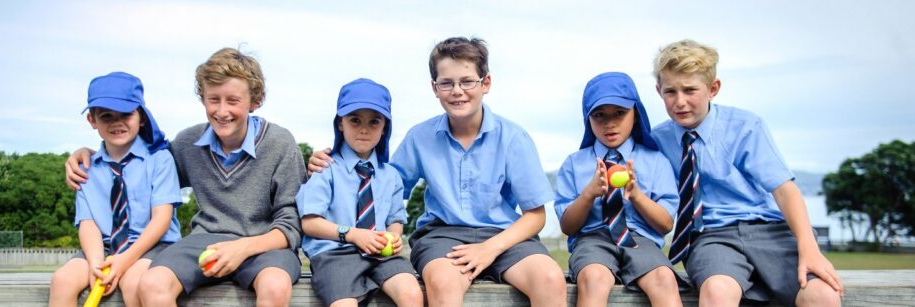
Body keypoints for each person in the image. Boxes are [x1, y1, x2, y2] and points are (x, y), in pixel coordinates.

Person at [309, 37, 566, 307]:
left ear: (485, 83)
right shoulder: (420, 137)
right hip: (442, 236)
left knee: (550, 278)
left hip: (505, 236)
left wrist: (489, 249)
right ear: (435, 88)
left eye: (467, 81)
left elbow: (536, 217)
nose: (457, 91)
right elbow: (381, 185)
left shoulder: (514, 138)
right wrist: (330, 163)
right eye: (447, 83)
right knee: (443, 283)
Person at [65, 48, 306, 307]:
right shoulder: (187, 143)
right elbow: (141, 167)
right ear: (203, 99)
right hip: (203, 243)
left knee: (275, 285)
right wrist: (90, 154)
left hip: (266, 245)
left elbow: (292, 224)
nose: (222, 111)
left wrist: (243, 248)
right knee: (152, 283)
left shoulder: (280, 143)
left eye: (233, 101)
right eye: (214, 99)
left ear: (254, 101)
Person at [649, 39, 843, 306]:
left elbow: (784, 190)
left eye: (690, 90)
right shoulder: (657, 140)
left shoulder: (745, 127)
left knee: (823, 294)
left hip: (770, 230)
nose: (680, 101)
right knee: (717, 291)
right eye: (670, 91)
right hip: (711, 237)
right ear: (659, 91)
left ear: (713, 88)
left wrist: (809, 248)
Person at [50, 72, 181, 307]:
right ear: (92, 120)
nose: (116, 122)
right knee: (63, 280)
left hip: (152, 245)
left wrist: (123, 261)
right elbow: (88, 223)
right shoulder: (85, 169)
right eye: (106, 116)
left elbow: (162, 219)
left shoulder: (159, 159)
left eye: (126, 114)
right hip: (104, 246)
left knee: (133, 283)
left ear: (141, 117)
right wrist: (95, 264)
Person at [555, 72, 685, 307]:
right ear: (588, 119)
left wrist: (636, 196)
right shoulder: (575, 164)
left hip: (641, 239)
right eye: (599, 115)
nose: (610, 123)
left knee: (664, 278)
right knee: (594, 277)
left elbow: (666, 224)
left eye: (619, 113)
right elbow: (568, 226)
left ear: (636, 114)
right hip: (592, 239)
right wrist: (589, 194)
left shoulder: (655, 161)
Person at [297, 78, 424, 307]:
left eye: (374, 122)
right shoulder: (325, 168)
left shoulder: (390, 175)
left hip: (380, 254)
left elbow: (395, 219)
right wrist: (354, 234)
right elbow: (310, 223)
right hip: (335, 254)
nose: (364, 129)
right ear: (340, 124)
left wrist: (394, 237)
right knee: (344, 304)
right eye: (354, 120)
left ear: (385, 127)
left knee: (412, 294)